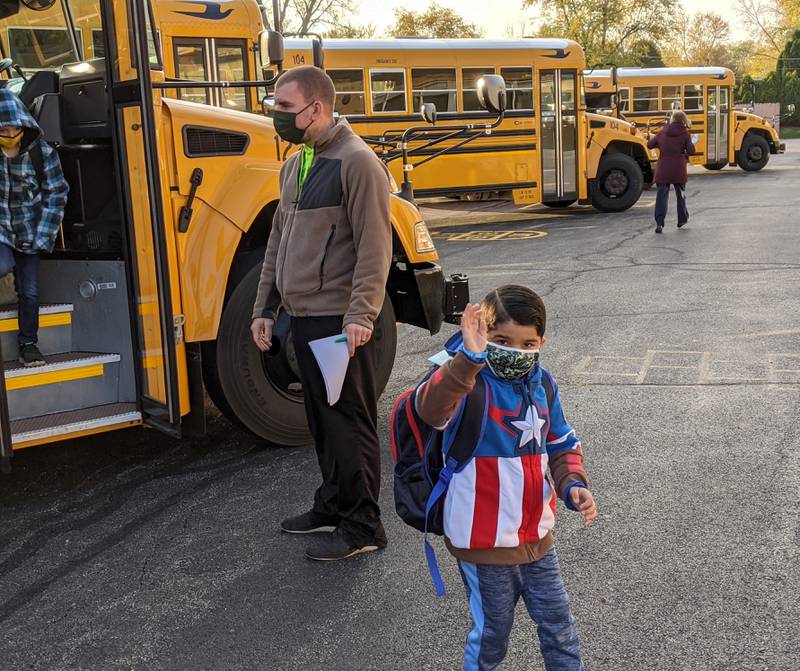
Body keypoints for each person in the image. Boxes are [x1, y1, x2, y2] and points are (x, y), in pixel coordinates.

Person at [415, 285, 597, 671]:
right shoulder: (466, 380)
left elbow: (561, 441)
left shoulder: (543, 382)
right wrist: (468, 359)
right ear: (484, 335)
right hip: (484, 541)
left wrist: (573, 484)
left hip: (536, 537)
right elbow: (431, 410)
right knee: (493, 633)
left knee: (559, 626)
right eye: (502, 341)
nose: (517, 353)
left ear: (541, 342)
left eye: (528, 344)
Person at [250, 66, 392, 561]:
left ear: (317, 108)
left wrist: (362, 315)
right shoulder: (296, 163)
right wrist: (264, 307)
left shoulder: (358, 162)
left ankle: (364, 526)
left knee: (349, 422)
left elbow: (376, 247)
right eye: (274, 105)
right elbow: (276, 243)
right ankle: (333, 504)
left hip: (338, 323)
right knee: (321, 419)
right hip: (302, 318)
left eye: (284, 107)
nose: (275, 114)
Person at [0, 89, 68, 366]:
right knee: (2, 265)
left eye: (13, 126)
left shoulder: (43, 154)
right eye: (2, 128)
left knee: (30, 291)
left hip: (32, 231)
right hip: (2, 227)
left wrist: (41, 238)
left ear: (24, 124)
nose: (8, 131)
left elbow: (56, 194)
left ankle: (28, 343)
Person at [647, 109, 696, 234]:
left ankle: (659, 223)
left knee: (661, 196)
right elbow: (691, 151)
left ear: (672, 119)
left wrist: (657, 142)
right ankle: (682, 219)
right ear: (684, 120)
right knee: (680, 194)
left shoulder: (663, 131)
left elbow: (650, 145)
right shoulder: (685, 133)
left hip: (663, 169)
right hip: (678, 169)